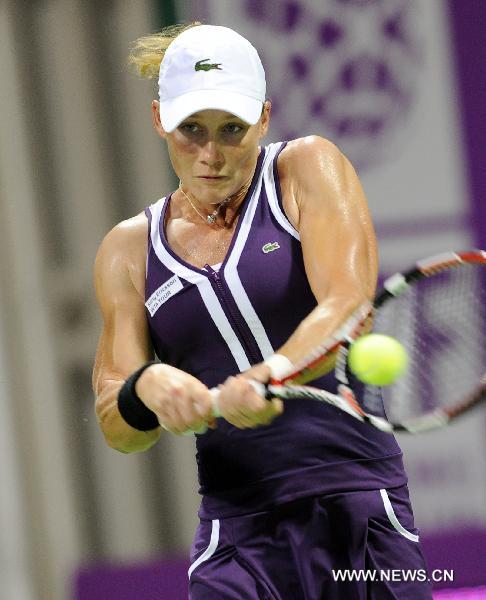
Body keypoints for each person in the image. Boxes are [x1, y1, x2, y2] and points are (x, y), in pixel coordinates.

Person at [93, 22, 432, 599]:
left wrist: (271, 374)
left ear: (265, 118)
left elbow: (350, 305)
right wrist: (146, 389)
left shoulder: (306, 168)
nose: (211, 154)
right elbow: (117, 426)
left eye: (232, 130)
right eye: (190, 130)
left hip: (357, 505)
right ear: (158, 120)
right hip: (237, 536)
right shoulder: (127, 249)